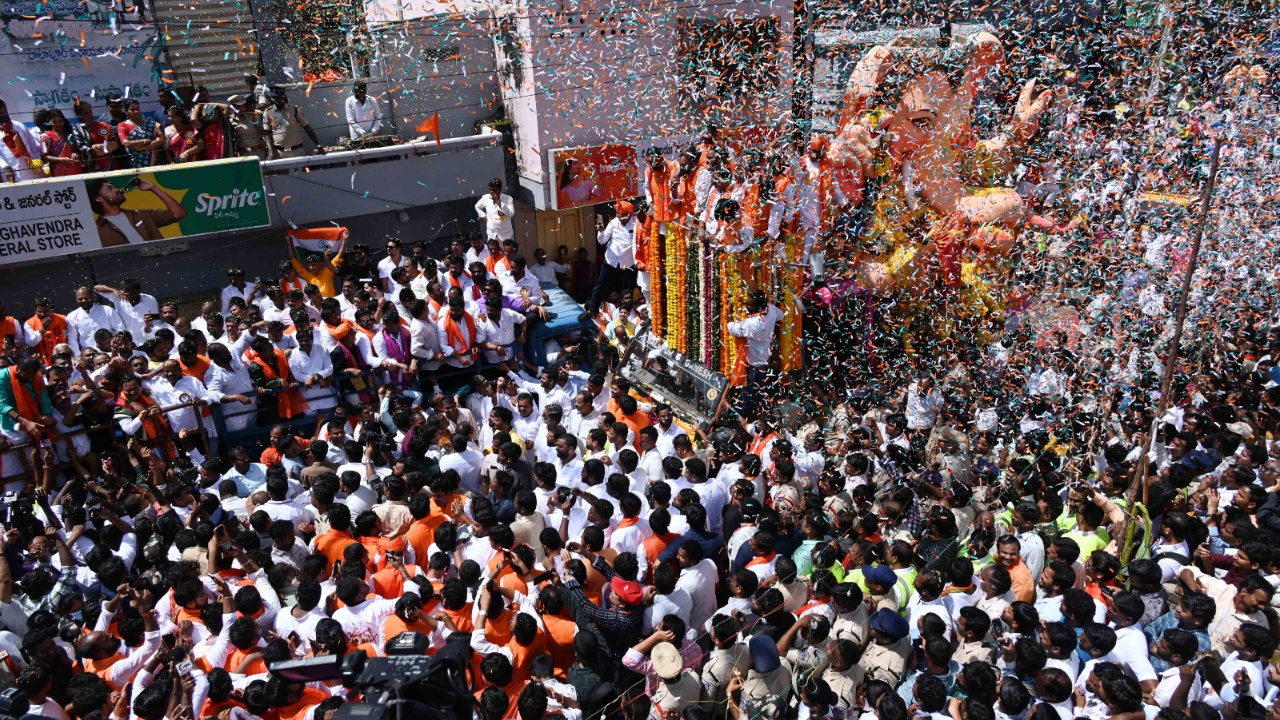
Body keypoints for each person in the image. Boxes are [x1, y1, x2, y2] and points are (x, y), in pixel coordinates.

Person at [86, 176, 188, 247]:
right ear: (98, 199)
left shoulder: (140, 214)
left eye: (115, 187)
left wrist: (153, 188)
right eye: (109, 188)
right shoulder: (96, 230)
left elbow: (179, 213)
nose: (117, 189)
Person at [583, 200, 637, 319]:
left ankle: (641, 309)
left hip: (629, 262)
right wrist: (601, 230)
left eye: (622, 215)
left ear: (629, 214)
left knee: (636, 285)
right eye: (618, 214)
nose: (620, 217)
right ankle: (592, 311)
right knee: (600, 285)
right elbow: (602, 240)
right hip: (612, 260)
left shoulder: (636, 222)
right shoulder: (613, 223)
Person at [264, 88, 323, 158]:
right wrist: (270, 152)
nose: (275, 100)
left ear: (283, 96)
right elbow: (267, 134)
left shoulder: (294, 110)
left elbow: (307, 127)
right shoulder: (268, 112)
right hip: (279, 153)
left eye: (277, 97)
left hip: (297, 151)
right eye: (273, 98)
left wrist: (318, 145)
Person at [0, 96, 44, 182]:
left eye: (5, 112)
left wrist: (36, 159)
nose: (4, 116)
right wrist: (6, 167)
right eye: (1, 114)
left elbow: (32, 145)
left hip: (32, 169)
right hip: (10, 172)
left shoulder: (18, 125)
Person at [116, 98, 166, 168]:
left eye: (137, 108)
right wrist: (146, 141)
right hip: (134, 163)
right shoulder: (122, 125)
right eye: (132, 110)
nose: (136, 111)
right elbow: (126, 143)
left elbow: (160, 141)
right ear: (126, 111)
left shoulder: (152, 124)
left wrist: (139, 148)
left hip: (154, 162)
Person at [39, 109, 85, 177]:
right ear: (49, 122)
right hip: (58, 171)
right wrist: (60, 160)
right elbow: (44, 157)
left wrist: (76, 154)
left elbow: (79, 149)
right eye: (54, 122)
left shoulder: (71, 134)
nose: (58, 124)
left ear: (64, 121)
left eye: (60, 121)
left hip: (75, 168)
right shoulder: (45, 137)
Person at [226, 95, 268, 160]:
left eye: (243, 106)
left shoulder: (254, 117)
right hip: (242, 155)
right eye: (238, 106)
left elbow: (263, 134)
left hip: (258, 153)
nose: (242, 108)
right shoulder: (230, 121)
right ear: (233, 107)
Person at [475, 178, 515, 243]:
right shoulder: (486, 198)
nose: (491, 192)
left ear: (500, 190)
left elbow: (511, 214)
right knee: (492, 252)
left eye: (493, 190)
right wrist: (483, 216)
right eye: (490, 190)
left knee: (507, 252)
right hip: (492, 234)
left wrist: (499, 202)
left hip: (505, 235)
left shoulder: (508, 199)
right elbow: (477, 206)